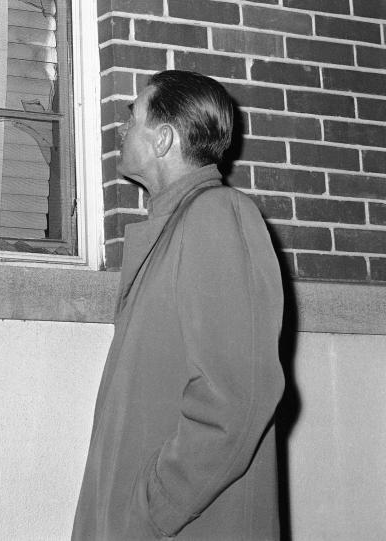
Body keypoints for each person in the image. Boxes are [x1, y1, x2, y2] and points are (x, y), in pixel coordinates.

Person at [71, 70, 285, 540]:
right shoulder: (174, 227)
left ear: (164, 138)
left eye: (134, 117)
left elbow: (236, 400)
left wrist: (151, 511)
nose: (121, 129)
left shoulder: (218, 215)